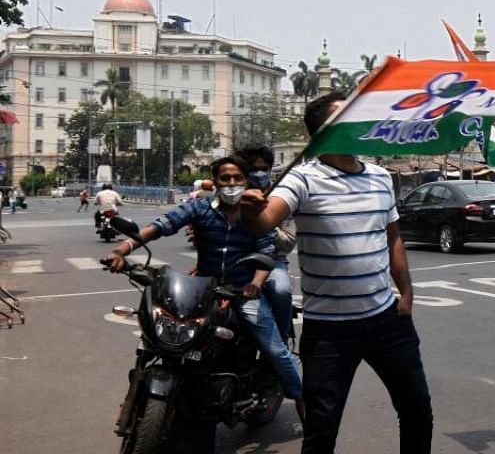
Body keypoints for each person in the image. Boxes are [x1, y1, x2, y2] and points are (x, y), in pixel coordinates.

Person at [240, 92, 432, 454]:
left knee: (417, 410)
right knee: (321, 431)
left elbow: (394, 240)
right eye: (348, 117)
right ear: (326, 132)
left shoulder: (379, 177)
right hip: (328, 330)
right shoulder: (302, 180)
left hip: (387, 320)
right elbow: (264, 222)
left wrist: (406, 294)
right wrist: (252, 209)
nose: (360, 123)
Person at [103, 156, 303, 409]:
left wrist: (255, 284)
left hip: (241, 291)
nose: (231, 183)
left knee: (275, 350)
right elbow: (161, 226)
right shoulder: (199, 208)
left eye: (237, 178)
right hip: (203, 289)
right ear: (215, 183)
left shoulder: (255, 216)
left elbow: (267, 254)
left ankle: (301, 399)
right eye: (225, 178)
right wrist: (123, 249)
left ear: (245, 181)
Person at [236, 144, 294, 343]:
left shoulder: (282, 197)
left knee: (281, 290)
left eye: (264, 168)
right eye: (254, 169)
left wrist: (264, 222)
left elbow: (289, 242)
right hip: (237, 259)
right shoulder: (235, 194)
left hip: (273, 260)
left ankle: (282, 339)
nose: (259, 173)